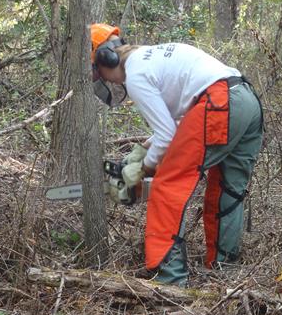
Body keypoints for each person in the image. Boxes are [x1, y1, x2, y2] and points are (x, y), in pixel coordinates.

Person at [90, 23, 263, 287]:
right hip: (245, 100)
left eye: (97, 72)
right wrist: (141, 152)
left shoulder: (136, 75)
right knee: (228, 188)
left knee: (167, 184)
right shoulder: (151, 57)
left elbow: (168, 135)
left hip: (219, 105)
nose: (103, 80)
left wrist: (144, 171)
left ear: (105, 58)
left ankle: (170, 279)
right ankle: (224, 269)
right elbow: (181, 124)